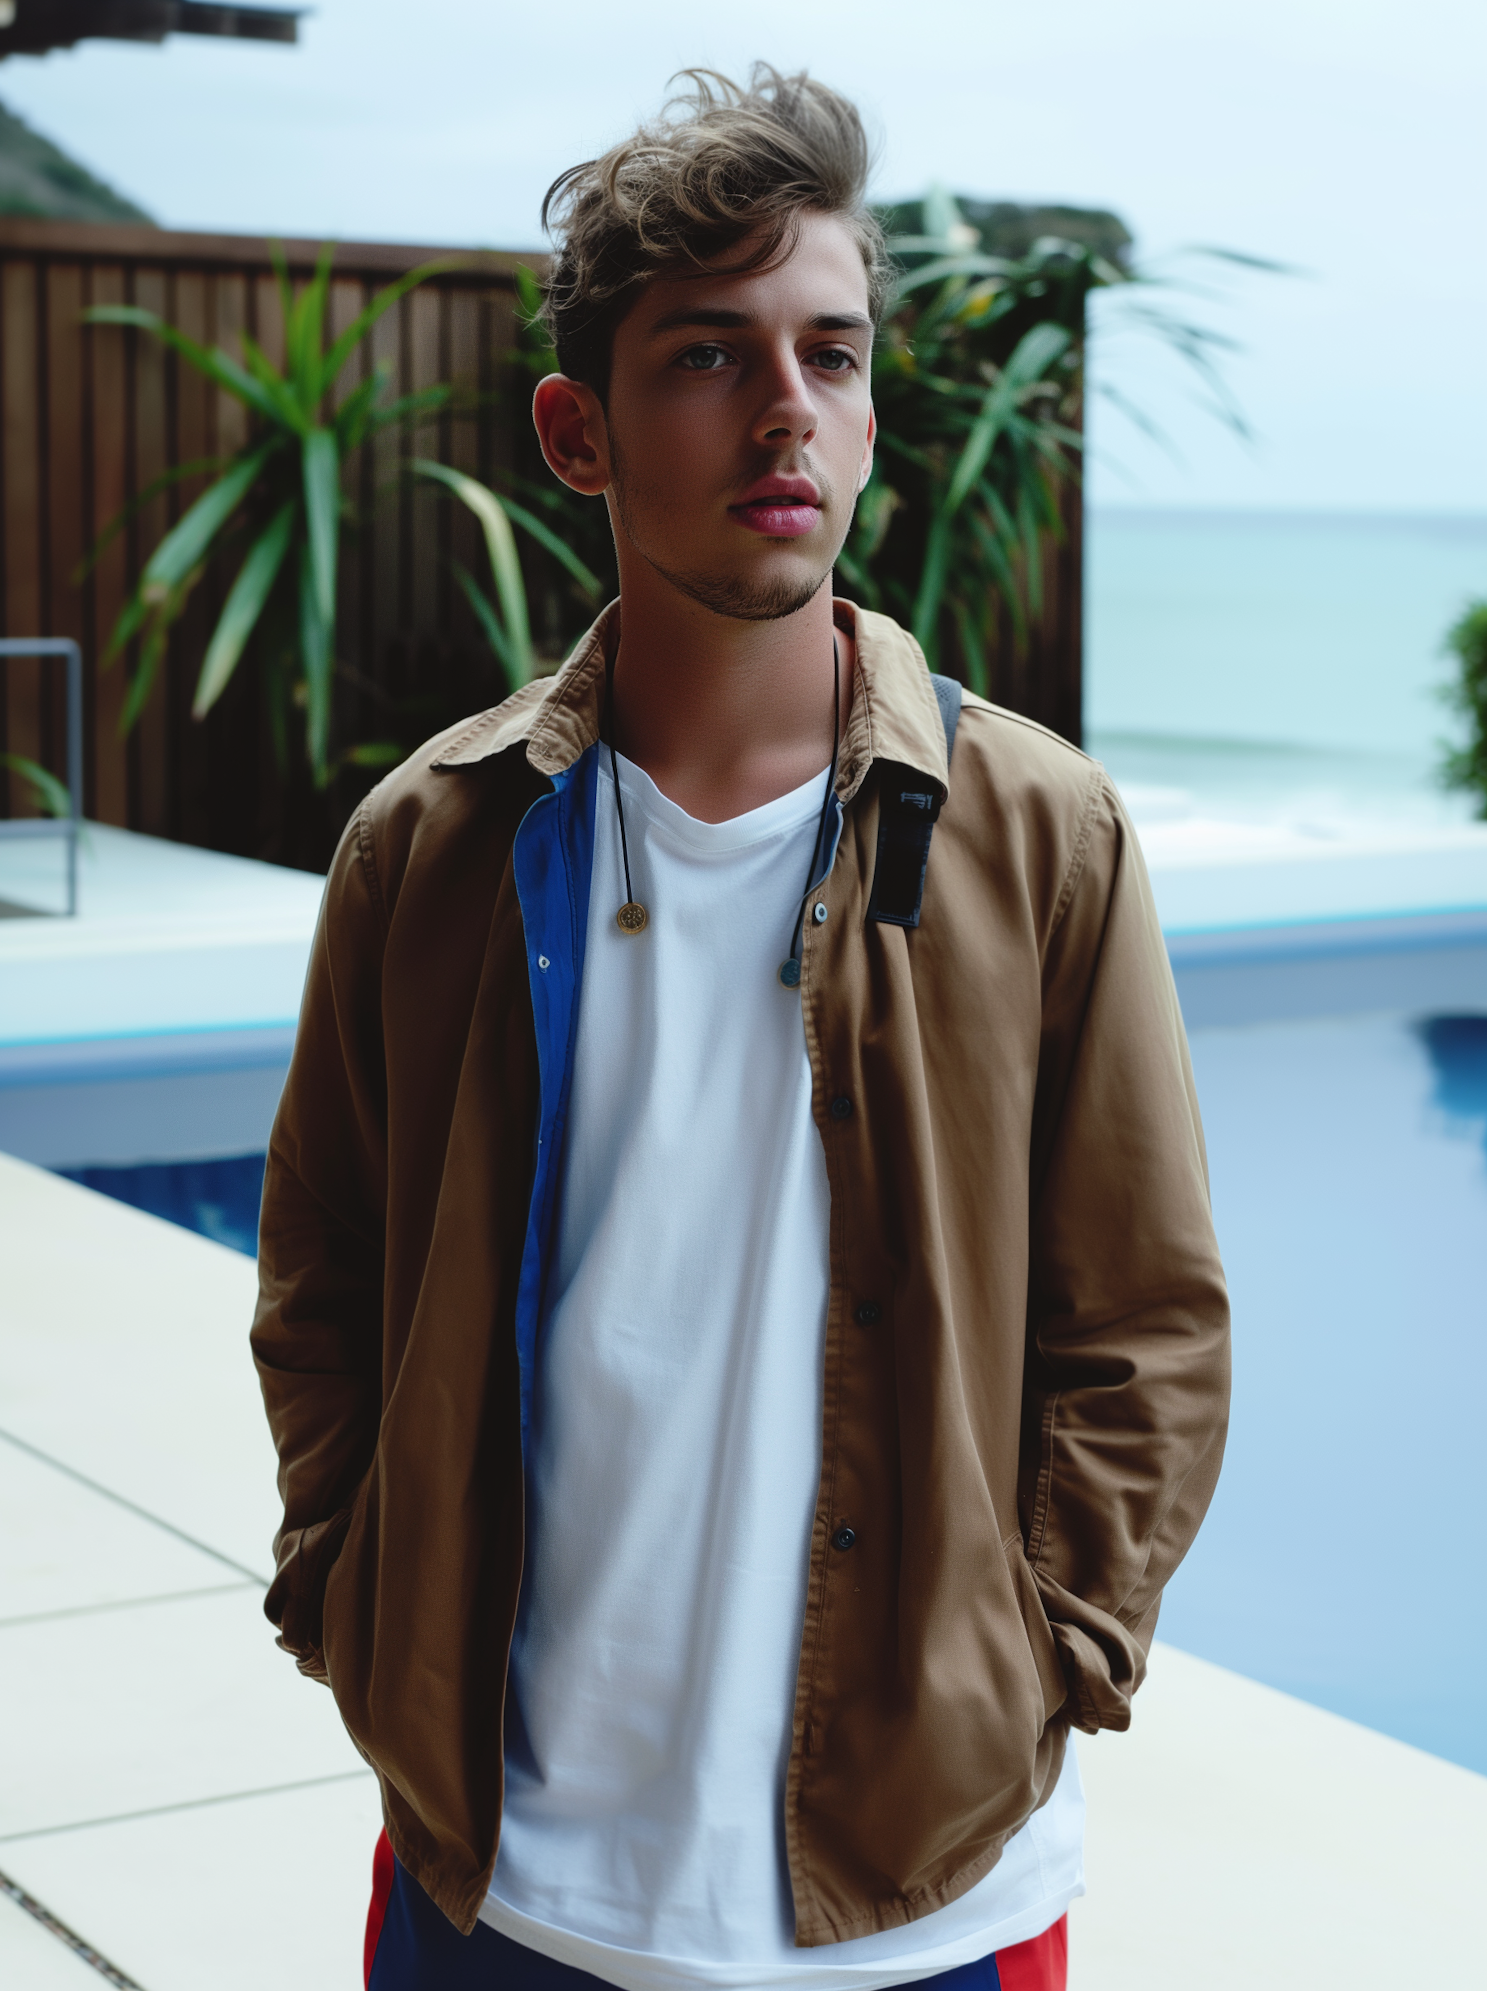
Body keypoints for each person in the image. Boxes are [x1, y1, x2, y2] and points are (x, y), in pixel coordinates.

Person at [252, 65, 1230, 1991]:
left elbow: (1144, 1324)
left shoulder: (1040, 837)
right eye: (709, 355)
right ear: (578, 429)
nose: (790, 407)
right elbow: (324, 1288)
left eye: (834, 353)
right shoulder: (433, 849)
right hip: (502, 1876)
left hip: (923, 1893)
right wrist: (352, 1593)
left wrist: (1048, 1652)